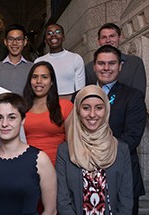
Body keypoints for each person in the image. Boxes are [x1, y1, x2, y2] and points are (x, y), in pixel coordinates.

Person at [56, 85, 133, 214]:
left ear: (106, 111)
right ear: (78, 111)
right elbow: (63, 200)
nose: (92, 114)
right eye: (86, 108)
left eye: (99, 108)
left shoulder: (120, 149)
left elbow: (125, 200)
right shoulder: (65, 150)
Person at [0, 93, 57, 215]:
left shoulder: (40, 160)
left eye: (11, 117)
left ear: (23, 120)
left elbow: (50, 211)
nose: (4, 124)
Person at [92, 45, 146, 215]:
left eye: (112, 63)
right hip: (88, 174)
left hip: (122, 172)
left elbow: (132, 136)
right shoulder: (81, 95)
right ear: (94, 66)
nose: (106, 68)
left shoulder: (133, 96)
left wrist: (100, 154)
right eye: (101, 63)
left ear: (120, 66)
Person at [23, 61, 73, 164]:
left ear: (51, 82)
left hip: (57, 167)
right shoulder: (21, 108)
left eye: (44, 77)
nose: (39, 81)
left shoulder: (65, 106)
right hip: (27, 166)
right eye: (35, 77)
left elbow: (71, 144)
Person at [85, 23, 146, 96]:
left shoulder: (134, 63)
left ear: (120, 38)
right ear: (99, 41)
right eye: (104, 37)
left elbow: (139, 93)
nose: (108, 40)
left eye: (112, 36)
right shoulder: (89, 68)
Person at [34, 23, 85, 100]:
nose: (53, 35)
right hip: (47, 104)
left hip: (70, 104)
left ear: (63, 37)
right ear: (45, 40)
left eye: (58, 32)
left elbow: (80, 90)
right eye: (49, 33)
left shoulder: (76, 58)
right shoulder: (39, 61)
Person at [0, 24, 34, 95]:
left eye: (19, 39)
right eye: (11, 39)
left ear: (25, 42)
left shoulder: (32, 67)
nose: (14, 43)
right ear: (5, 42)